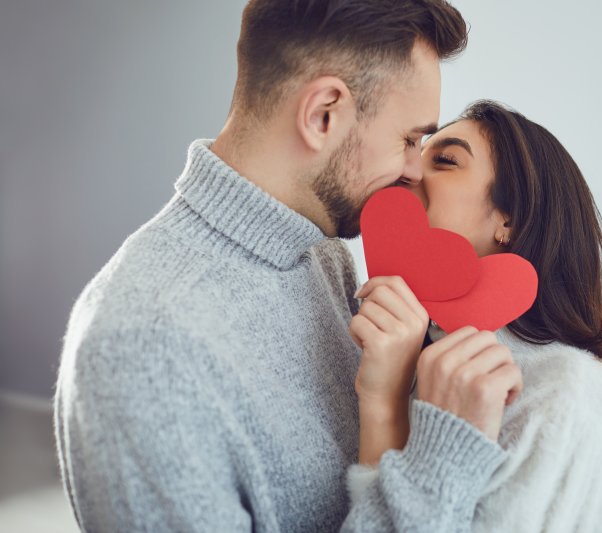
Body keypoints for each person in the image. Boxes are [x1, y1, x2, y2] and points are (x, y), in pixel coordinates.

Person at [54, 2, 524, 531]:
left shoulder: (323, 256)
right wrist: (443, 461)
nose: (415, 171)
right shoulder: (145, 350)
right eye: (410, 140)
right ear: (324, 113)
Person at [346, 100, 602, 532]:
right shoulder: (398, 349)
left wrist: (388, 408)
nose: (409, 171)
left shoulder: (568, 394)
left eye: (444, 160)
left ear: (510, 218)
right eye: (414, 150)